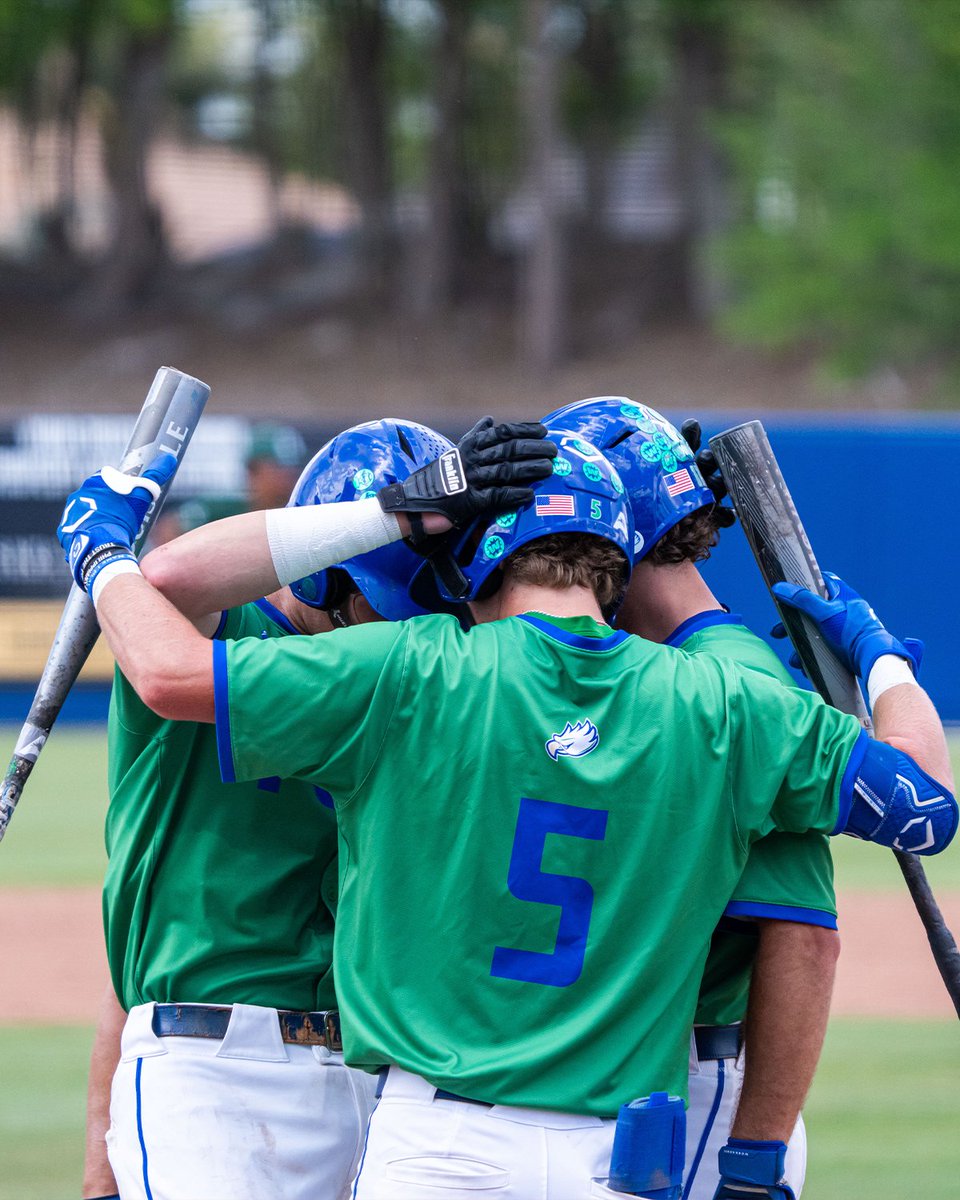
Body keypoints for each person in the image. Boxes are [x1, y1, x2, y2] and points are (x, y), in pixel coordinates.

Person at [59, 427, 956, 1200]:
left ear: (476, 557)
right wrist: (882, 662)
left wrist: (105, 557)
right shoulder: (725, 702)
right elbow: (923, 808)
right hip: (620, 1151)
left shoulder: (413, 668)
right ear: (615, 566)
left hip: (433, 1145)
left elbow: (169, 642)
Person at [80, 416, 545, 1200]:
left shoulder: (421, 679)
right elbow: (164, 585)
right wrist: (391, 515)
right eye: (390, 603)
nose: (412, 627)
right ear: (325, 575)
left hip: (376, 1074)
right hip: (210, 1072)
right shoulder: (225, 644)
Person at [541, 397, 845, 1199]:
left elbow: (802, 931)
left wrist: (754, 1154)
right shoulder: (663, 667)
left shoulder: (729, 679)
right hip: (650, 1080)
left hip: (714, 1093)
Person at [151, 421, 307, 544]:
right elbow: (168, 530)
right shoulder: (222, 508)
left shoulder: (306, 515)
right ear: (253, 471)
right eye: (278, 468)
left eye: (294, 468)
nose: (287, 476)